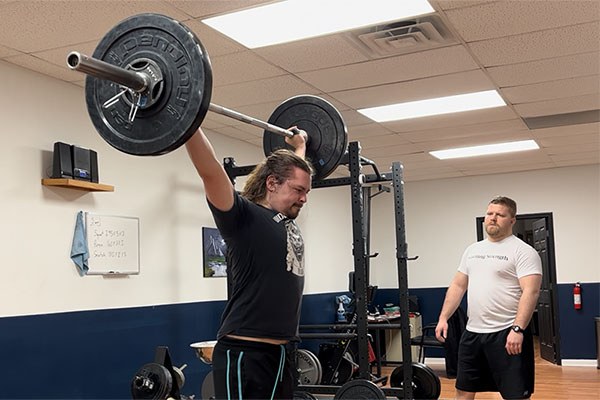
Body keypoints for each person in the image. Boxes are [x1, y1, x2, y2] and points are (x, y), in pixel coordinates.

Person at [185, 126, 313, 400]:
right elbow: (210, 170)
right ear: (271, 184)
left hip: (281, 354)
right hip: (245, 352)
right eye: (299, 190)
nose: (304, 198)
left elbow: (295, 171)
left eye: (306, 191)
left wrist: (299, 145)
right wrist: (189, 124)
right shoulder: (242, 218)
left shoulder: (285, 221)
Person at [434, 196, 542, 400]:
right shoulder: (472, 250)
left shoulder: (523, 252)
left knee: (515, 394)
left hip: (507, 332)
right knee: (464, 390)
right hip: (473, 333)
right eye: (490, 213)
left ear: (512, 220)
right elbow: (458, 285)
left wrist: (518, 329)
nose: (493, 218)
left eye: (500, 215)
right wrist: (443, 317)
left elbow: (531, 291)